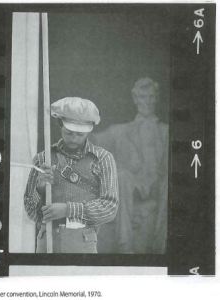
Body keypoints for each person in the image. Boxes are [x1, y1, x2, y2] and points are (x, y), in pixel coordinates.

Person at [24, 97, 119, 253]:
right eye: (69, 133)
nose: (74, 138)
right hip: (46, 241)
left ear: (90, 130)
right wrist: (40, 188)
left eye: (80, 134)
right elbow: (31, 212)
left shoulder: (103, 159)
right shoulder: (43, 158)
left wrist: (68, 209)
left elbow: (110, 208)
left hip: (83, 242)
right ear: (60, 124)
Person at [94, 78, 168, 254]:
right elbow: (93, 141)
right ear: (135, 99)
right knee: (122, 176)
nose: (147, 101)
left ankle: (161, 246)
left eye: (151, 97)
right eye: (143, 97)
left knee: (170, 184)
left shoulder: (167, 131)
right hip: (133, 184)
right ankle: (125, 244)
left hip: (159, 185)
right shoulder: (121, 130)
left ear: (156, 99)